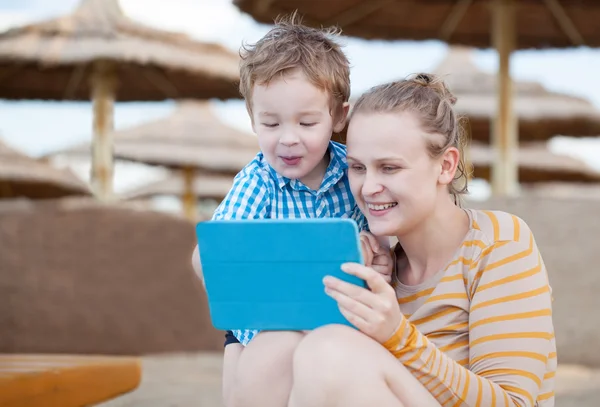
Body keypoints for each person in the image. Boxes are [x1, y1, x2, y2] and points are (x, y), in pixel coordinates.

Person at [224, 73, 557, 407]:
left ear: (445, 166)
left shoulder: (499, 243)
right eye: (357, 167)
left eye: (389, 168)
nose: (368, 188)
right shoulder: (378, 271)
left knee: (329, 351)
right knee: (275, 346)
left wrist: (398, 335)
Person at [190, 15, 393, 406]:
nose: (288, 139)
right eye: (270, 123)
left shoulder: (354, 170)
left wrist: (379, 258)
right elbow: (212, 255)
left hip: (339, 318)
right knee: (254, 372)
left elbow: (381, 239)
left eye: (306, 122)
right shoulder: (258, 181)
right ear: (252, 119)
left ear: (338, 117)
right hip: (268, 324)